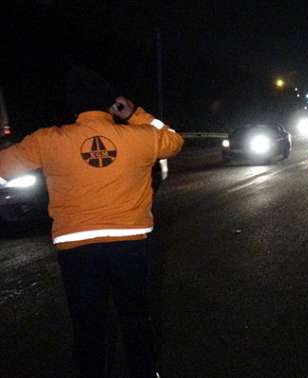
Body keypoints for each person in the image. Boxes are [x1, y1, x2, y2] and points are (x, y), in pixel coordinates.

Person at [0, 67, 183, 377]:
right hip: (131, 247)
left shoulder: (48, 140)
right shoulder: (141, 137)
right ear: (111, 103)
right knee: (136, 320)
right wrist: (137, 113)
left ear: (73, 105)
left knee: (88, 326)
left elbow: (3, 167)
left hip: (76, 252)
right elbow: (174, 140)